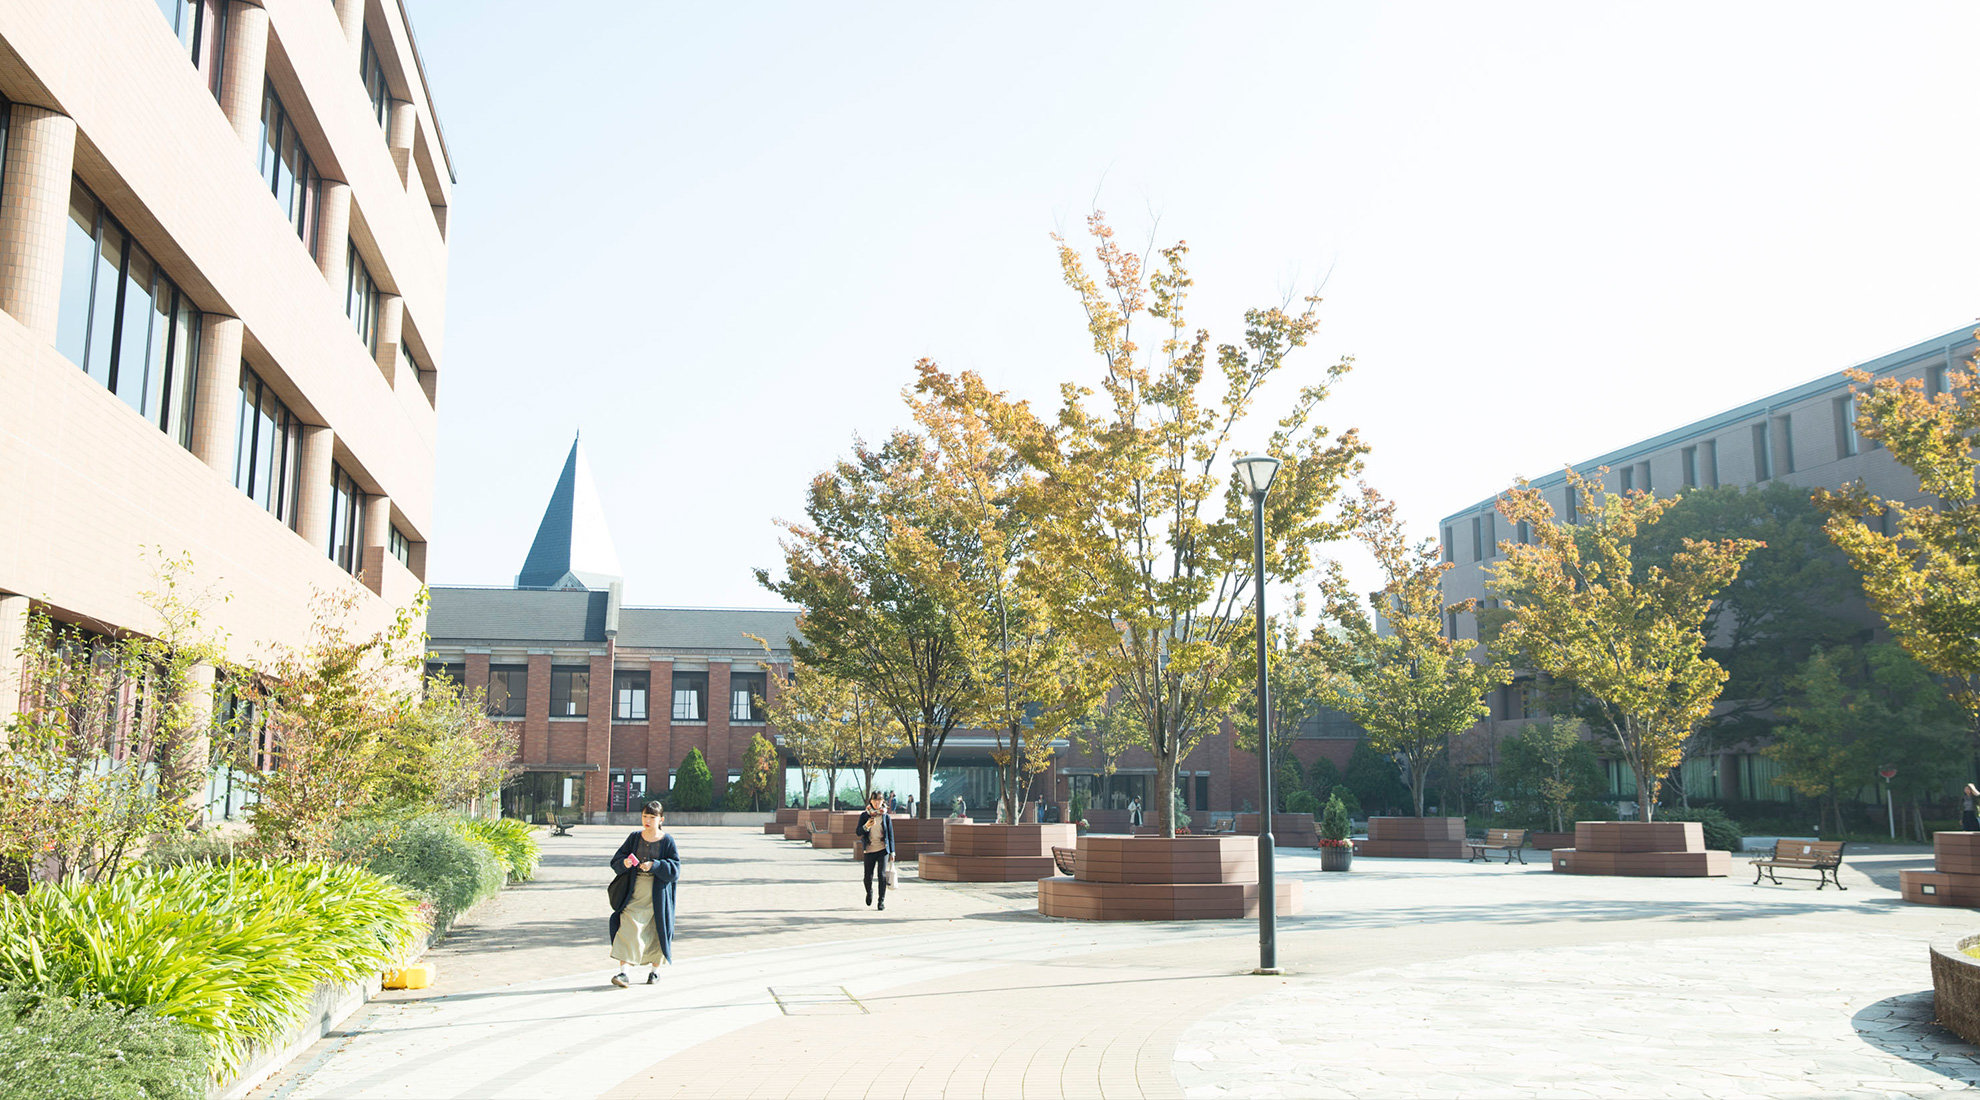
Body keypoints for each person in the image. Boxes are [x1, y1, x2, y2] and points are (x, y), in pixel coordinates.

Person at [606, 801, 679, 988]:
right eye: (645, 816)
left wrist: (655, 865)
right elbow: (616, 860)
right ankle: (624, 973)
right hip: (635, 891)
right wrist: (625, 863)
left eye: (652, 817)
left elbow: (675, 870)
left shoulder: (667, 840)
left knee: (656, 930)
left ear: (661, 819)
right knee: (628, 927)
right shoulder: (634, 838)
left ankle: (655, 972)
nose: (647, 821)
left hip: (658, 895)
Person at [858, 790, 895, 910]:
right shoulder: (865, 815)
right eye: (874, 800)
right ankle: (869, 892)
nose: (877, 803)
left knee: (882, 875)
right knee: (867, 876)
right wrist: (866, 826)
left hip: (882, 849)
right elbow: (858, 832)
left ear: (883, 801)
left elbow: (890, 834)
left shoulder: (885, 816)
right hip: (869, 849)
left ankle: (881, 901)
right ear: (871, 801)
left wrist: (892, 852)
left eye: (879, 800)